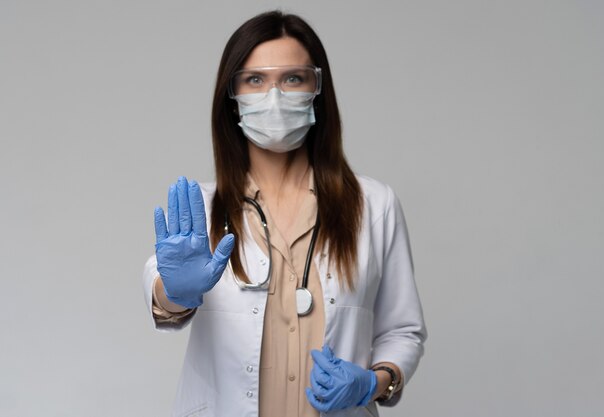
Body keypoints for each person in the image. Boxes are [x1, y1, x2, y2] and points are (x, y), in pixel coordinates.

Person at [142, 10, 426, 417]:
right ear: (233, 95)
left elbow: (403, 331)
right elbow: (158, 285)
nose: (274, 96)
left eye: (292, 78)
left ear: (317, 88)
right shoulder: (201, 208)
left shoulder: (373, 204)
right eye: (255, 80)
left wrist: (374, 381)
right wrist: (175, 292)